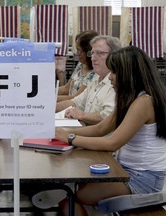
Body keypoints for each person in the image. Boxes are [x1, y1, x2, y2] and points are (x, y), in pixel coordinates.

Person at [56, 46, 166, 216]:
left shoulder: (143, 103)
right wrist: (61, 131)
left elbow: (112, 143)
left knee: (70, 202)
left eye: (114, 72)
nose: (111, 78)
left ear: (128, 74)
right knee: (80, 187)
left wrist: (70, 138)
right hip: (128, 170)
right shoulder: (131, 99)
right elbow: (101, 129)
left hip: (142, 178)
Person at [56, 35, 121, 125]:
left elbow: (108, 116)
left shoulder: (116, 83)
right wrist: (46, 108)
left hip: (97, 137)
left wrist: (82, 115)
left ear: (114, 55)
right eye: (92, 53)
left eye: (99, 53)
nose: (93, 58)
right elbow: (75, 102)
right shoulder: (96, 78)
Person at [57, 30, 98, 103]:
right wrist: (47, 92)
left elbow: (76, 99)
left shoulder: (95, 73)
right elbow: (67, 88)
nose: (77, 53)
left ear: (89, 52)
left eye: (79, 50)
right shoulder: (81, 64)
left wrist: (50, 99)